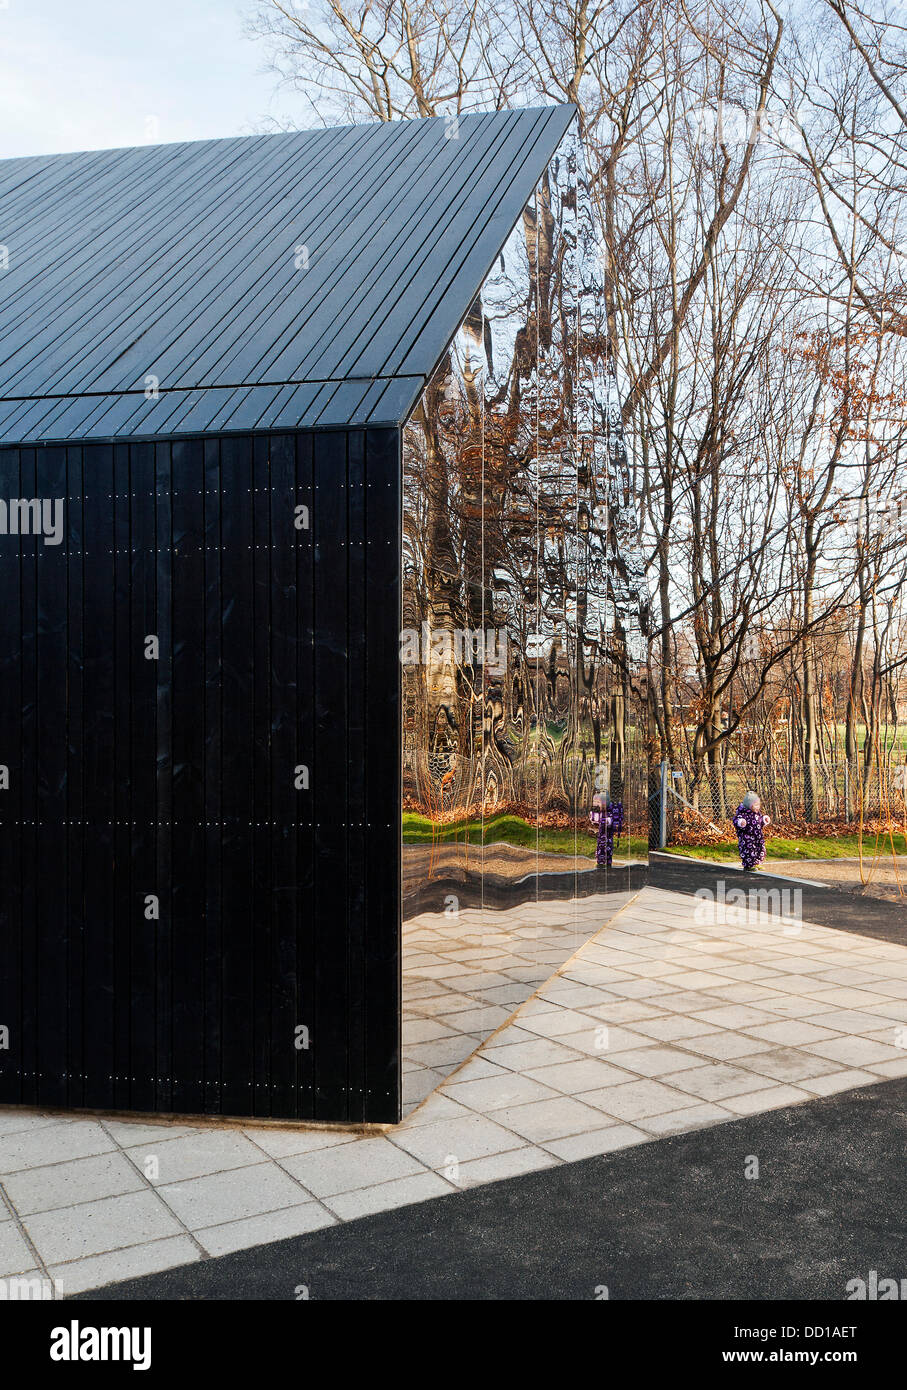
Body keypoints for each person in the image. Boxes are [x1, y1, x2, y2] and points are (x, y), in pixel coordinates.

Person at [733, 791, 770, 870]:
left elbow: (760, 821)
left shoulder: (757, 814)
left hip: (758, 836)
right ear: (749, 805)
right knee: (749, 851)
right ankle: (749, 865)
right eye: (755, 805)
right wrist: (741, 822)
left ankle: (757, 863)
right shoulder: (742, 814)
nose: (758, 807)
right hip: (747, 838)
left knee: (760, 849)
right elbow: (736, 820)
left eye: (759, 805)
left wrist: (764, 820)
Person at [590, 793, 624, 868]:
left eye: (598, 802)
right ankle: (600, 862)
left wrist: (601, 820)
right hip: (601, 836)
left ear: (606, 803)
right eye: (594, 802)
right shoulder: (600, 811)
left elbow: (609, 821)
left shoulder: (609, 812)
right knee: (600, 848)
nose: (596, 804)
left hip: (608, 836)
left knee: (607, 848)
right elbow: (594, 820)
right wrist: (594, 817)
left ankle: (608, 862)